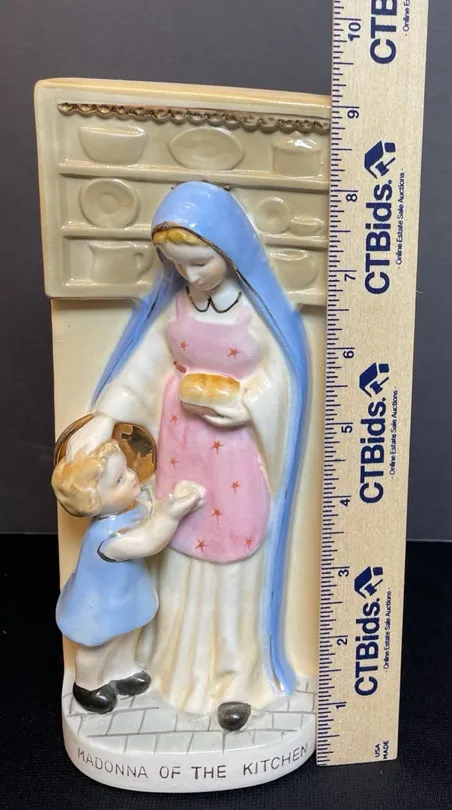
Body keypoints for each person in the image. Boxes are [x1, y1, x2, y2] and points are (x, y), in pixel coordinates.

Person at [66, 181, 309, 730]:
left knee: (235, 557)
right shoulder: (176, 307)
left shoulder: (258, 314)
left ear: (231, 250)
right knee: (177, 546)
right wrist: (105, 416)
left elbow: (284, 380)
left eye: (200, 262)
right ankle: (176, 666)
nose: (190, 276)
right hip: (182, 444)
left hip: (237, 456)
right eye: (178, 265)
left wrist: (248, 404)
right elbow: (144, 367)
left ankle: (234, 677)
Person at [52, 439, 204, 713]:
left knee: (128, 634)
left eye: (126, 468)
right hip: (99, 607)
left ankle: (122, 670)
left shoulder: (128, 509)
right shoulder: (105, 537)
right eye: (119, 479)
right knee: (99, 647)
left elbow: (147, 511)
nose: (133, 476)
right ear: (94, 501)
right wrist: (171, 516)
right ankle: (88, 684)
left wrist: (163, 504)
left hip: (126, 596)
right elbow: (147, 542)